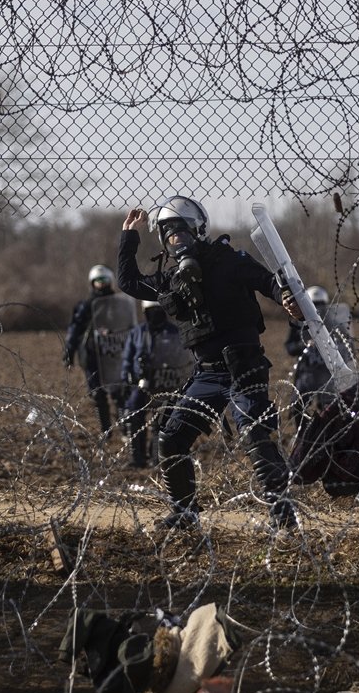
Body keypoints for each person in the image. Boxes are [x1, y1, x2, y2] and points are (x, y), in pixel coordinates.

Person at [118, 197, 302, 530]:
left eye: (181, 230)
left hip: (244, 366)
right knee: (171, 437)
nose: (176, 238)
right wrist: (129, 237)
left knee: (255, 435)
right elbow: (128, 282)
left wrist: (287, 298)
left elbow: (268, 282)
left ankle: (283, 516)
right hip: (208, 373)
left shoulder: (229, 260)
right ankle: (185, 513)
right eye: (168, 233)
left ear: (198, 229)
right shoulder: (170, 279)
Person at [64, 264, 136, 437]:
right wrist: (69, 352)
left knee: (120, 392)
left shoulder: (120, 302)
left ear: (110, 280)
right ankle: (106, 430)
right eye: (97, 281)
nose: (101, 284)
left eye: (104, 280)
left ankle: (125, 429)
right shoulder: (86, 305)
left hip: (114, 352)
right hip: (91, 355)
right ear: (92, 283)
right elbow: (75, 329)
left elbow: (128, 325)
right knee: (98, 394)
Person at [118, 300, 183, 469]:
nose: (155, 314)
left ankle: (156, 458)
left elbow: (182, 358)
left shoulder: (174, 332)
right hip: (141, 383)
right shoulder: (137, 332)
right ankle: (137, 458)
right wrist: (126, 379)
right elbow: (127, 357)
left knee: (161, 421)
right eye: (151, 310)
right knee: (133, 414)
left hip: (165, 383)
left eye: (158, 310)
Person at [284, 285, 352, 424]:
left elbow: (348, 347)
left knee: (329, 410)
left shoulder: (335, 323)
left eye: (320, 305)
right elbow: (290, 348)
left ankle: (325, 437)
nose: (317, 309)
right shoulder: (299, 324)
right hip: (306, 374)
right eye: (313, 305)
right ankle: (303, 436)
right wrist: (305, 345)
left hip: (327, 375)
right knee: (299, 408)